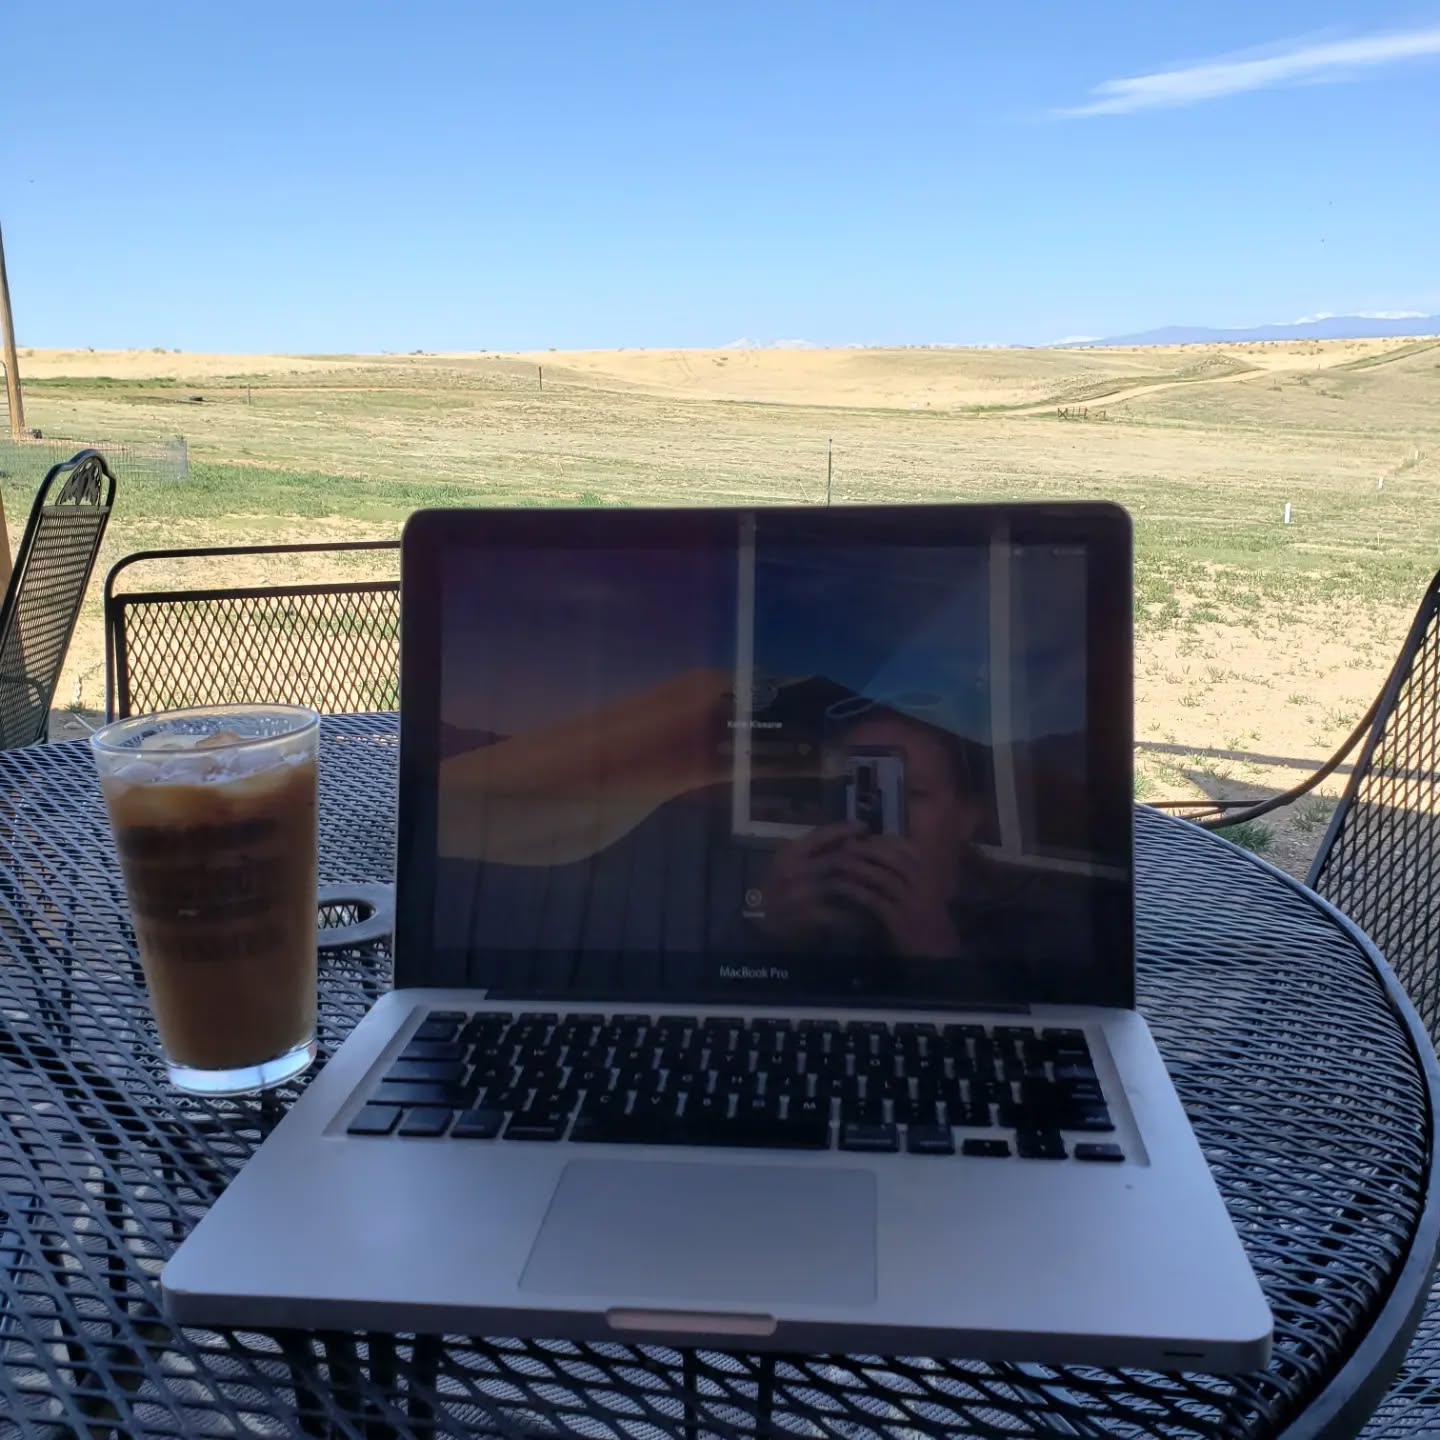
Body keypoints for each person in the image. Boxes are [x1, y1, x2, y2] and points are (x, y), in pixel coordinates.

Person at [752, 704, 998, 967]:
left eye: (913, 792)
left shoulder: (1020, 926)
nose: (876, 813)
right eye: (858, 792)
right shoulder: (808, 905)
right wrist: (766, 935)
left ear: (968, 818)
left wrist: (940, 957)